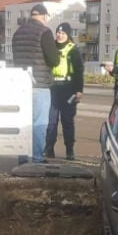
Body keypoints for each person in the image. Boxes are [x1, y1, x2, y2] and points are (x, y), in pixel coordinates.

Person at [11, 3, 60, 163]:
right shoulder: (44, 32)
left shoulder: (17, 33)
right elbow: (54, 60)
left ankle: (23, 157)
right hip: (39, 84)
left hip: (21, 84)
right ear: (44, 16)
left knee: (23, 122)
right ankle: (38, 157)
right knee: (39, 123)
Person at [45, 22, 85, 161]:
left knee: (67, 121)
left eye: (63, 33)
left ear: (67, 35)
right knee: (51, 121)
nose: (60, 35)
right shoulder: (50, 47)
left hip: (68, 88)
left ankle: (69, 150)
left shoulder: (73, 50)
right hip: (53, 88)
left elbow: (79, 71)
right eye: (58, 32)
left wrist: (79, 90)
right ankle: (49, 148)